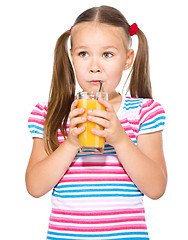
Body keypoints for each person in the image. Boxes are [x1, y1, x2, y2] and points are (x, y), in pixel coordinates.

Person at [26, 5, 167, 240]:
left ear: (127, 59)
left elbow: (156, 188)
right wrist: (71, 143)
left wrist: (121, 139)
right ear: (72, 57)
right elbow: (34, 186)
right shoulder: (50, 113)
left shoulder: (144, 112)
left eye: (107, 54)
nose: (94, 66)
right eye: (83, 54)